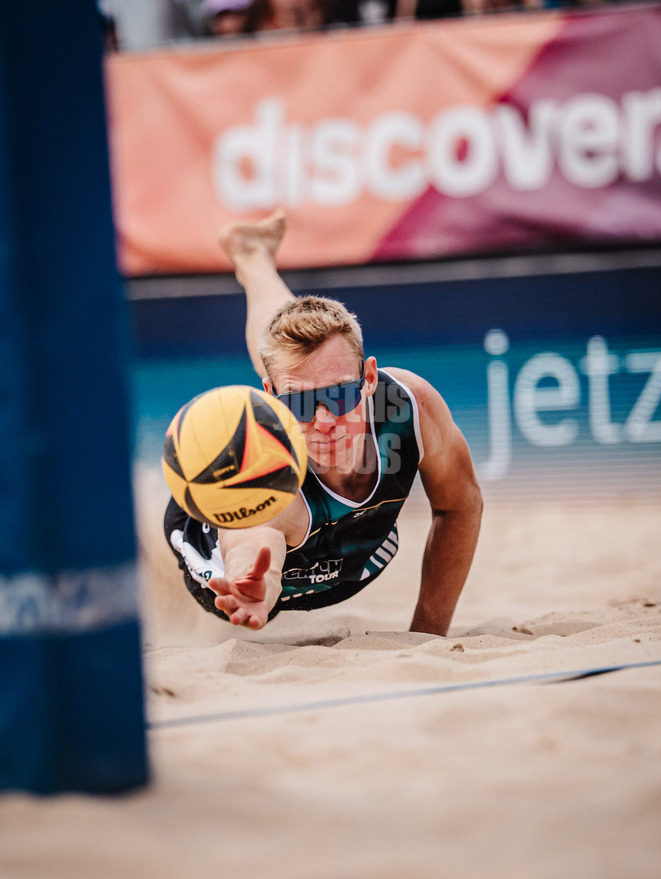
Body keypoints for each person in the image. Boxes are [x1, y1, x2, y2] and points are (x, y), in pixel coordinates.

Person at [164, 210, 483, 635]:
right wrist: (256, 584)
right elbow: (254, 539)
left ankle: (251, 254)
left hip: (352, 560)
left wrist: (428, 634)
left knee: (296, 352)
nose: (325, 421)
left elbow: (461, 504)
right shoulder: (267, 471)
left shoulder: (409, 406)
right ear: (272, 399)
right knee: (295, 360)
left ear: (369, 379)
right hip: (234, 571)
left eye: (341, 395)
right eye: (298, 405)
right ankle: (253, 259)